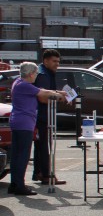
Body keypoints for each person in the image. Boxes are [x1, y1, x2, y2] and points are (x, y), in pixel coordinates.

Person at [8, 62, 65, 196]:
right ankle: (19, 185)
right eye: (35, 74)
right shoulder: (25, 85)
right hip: (24, 123)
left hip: (18, 122)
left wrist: (59, 92)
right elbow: (43, 93)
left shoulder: (18, 82)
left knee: (16, 155)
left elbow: (41, 91)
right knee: (23, 155)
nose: (36, 76)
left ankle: (14, 183)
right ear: (30, 74)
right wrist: (60, 95)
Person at [33, 49, 67, 184]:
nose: (57, 64)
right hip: (42, 115)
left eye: (58, 61)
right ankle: (47, 175)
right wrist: (59, 98)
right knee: (45, 145)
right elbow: (42, 97)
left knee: (41, 144)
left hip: (42, 114)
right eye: (54, 61)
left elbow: (48, 91)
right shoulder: (43, 75)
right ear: (45, 61)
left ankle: (39, 172)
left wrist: (60, 93)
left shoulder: (46, 72)